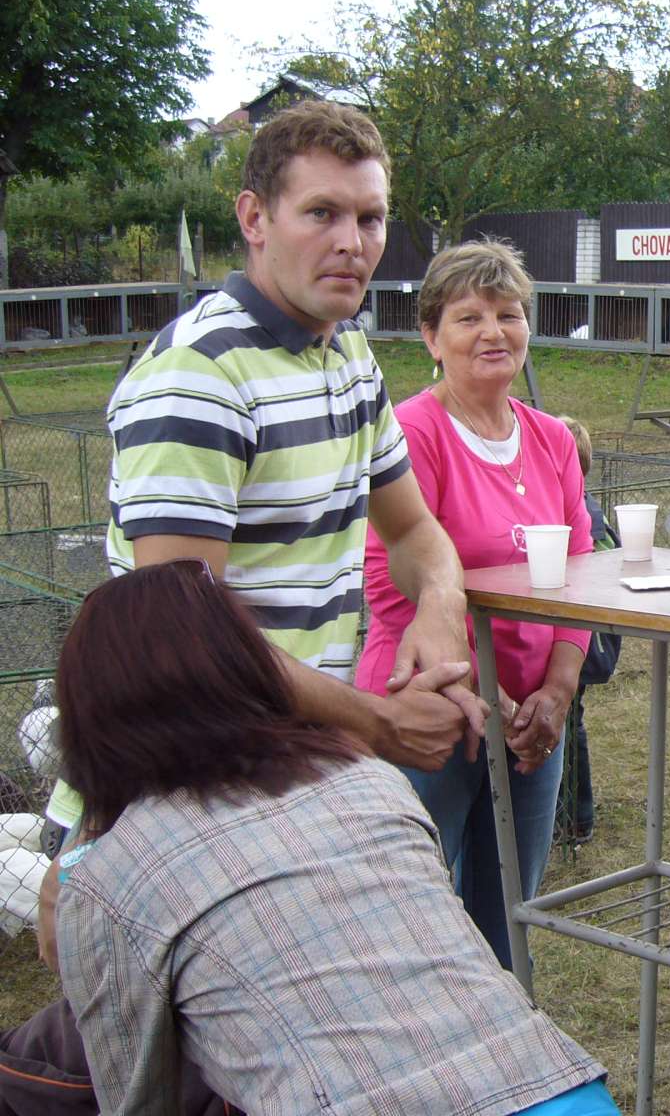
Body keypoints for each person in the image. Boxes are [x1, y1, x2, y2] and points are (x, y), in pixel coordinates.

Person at [2, 101, 481, 1115]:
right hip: (165, 786)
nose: (353, 242)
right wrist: (377, 721)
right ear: (254, 218)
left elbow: (414, 533)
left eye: (370, 217)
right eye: (322, 214)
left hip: (276, 771)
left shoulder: (347, 355)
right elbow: (186, 647)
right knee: (144, 1078)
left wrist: (440, 613)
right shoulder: (199, 375)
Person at [51, 559, 621, 1116]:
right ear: (254, 669)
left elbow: (137, 1098)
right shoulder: (367, 779)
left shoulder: (111, 880)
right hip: (561, 1091)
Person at [358, 240, 594, 969]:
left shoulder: (552, 440)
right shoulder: (411, 433)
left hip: (530, 724)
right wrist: (479, 698)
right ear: (431, 338)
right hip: (427, 710)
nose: (494, 332)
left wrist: (557, 694)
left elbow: (582, 576)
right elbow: (388, 580)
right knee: (409, 923)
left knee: (509, 921)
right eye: (469, 318)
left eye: (508, 314)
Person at [554, 415, 622, 846]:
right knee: (568, 720)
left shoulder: (582, 513)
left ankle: (577, 817)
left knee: (568, 722)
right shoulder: (583, 504)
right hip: (570, 634)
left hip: (574, 638)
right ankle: (571, 815)